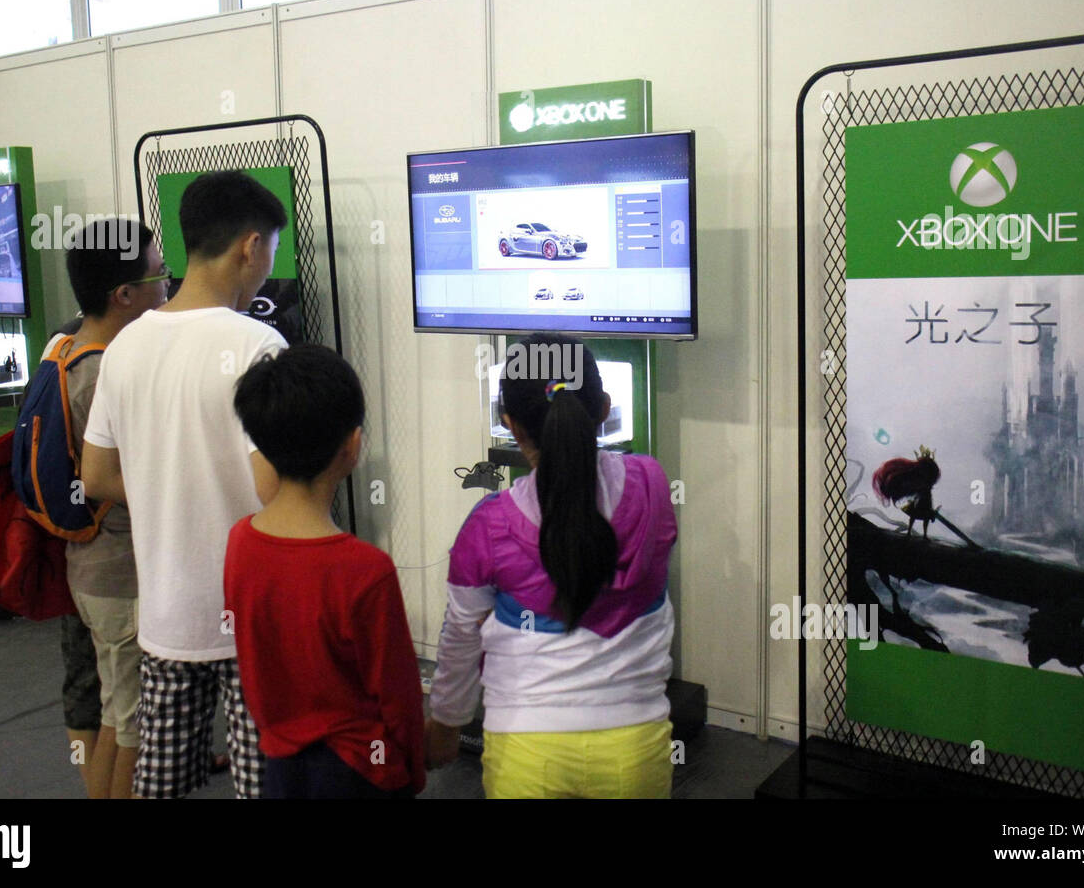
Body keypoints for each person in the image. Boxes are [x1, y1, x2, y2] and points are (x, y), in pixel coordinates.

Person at [80, 170, 288, 799]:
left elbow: (94, 475)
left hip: (167, 613)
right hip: (250, 613)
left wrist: (165, 493)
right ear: (250, 247)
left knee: (161, 785)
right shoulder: (260, 344)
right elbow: (275, 484)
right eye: (270, 250)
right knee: (263, 782)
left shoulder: (124, 346)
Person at [426, 332, 678, 798]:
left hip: (526, 751)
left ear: (510, 426)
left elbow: (461, 635)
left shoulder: (489, 525)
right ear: (603, 408)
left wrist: (446, 720)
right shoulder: (652, 484)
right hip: (634, 747)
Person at [224, 344, 425, 799]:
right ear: (352, 446)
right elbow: (399, 697)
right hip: (361, 772)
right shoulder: (365, 570)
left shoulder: (240, 542)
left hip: (279, 762)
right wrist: (411, 769)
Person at [55, 218, 169, 798]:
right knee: (131, 728)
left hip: (94, 566)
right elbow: (109, 478)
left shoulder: (71, 344)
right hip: (118, 570)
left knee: (113, 714)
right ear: (124, 295)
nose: (168, 287)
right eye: (159, 274)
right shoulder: (104, 371)